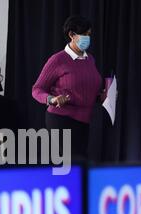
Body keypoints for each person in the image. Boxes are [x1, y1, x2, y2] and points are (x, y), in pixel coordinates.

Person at [32, 15, 103, 159]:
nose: (88, 38)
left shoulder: (90, 59)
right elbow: (37, 90)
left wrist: (100, 96)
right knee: (71, 164)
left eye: (89, 34)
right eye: (84, 34)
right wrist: (52, 99)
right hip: (62, 119)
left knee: (81, 164)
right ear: (71, 34)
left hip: (85, 120)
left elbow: (84, 89)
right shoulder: (58, 59)